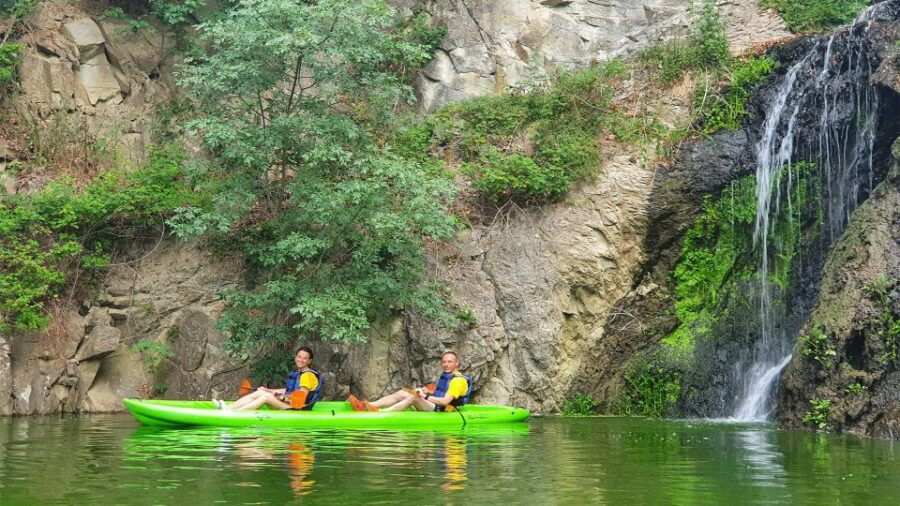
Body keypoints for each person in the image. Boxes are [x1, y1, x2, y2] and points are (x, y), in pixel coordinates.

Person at [350, 350, 471, 412]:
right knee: (404, 392)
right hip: (435, 405)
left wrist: (424, 396)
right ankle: (369, 405)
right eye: (444, 362)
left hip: (444, 411)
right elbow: (439, 390)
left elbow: (445, 401)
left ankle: (381, 412)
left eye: (449, 362)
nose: (446, 364)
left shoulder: (458, 381)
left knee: (414, 397)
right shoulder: (447, 375)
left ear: (456, 363)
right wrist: (426, 390)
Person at [215, 346, 322, 411]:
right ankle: (231, 407)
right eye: (299, 356)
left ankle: (235, 414)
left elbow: (299, 400)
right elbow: (288, 390)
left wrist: (279, 397)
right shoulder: (298, 372)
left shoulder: (307, 375)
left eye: (305, 358)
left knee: (266, 397)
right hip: (288, 404)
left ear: (309, 361)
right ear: (295, 357)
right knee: (262, 392)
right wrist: (268, 390)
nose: (301, 360)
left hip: (297, 408)